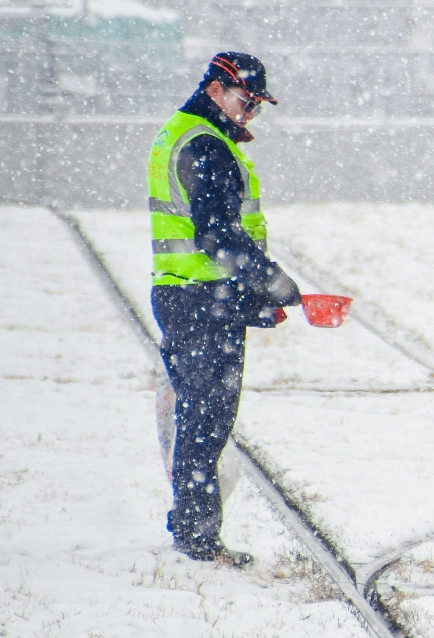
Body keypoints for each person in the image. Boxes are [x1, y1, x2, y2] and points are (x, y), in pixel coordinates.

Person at [147, 52, 302, 566]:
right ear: (216, 89)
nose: (250, 115)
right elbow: (218, 238)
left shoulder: (185, 132)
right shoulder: (207, 147)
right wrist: (272, 282)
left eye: (257, 106)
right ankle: (197, 539)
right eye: (246, 102)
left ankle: (191, 529)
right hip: (201, 302)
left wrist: (252, 296)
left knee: (199, 413)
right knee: (207, 419)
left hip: (190, 296)